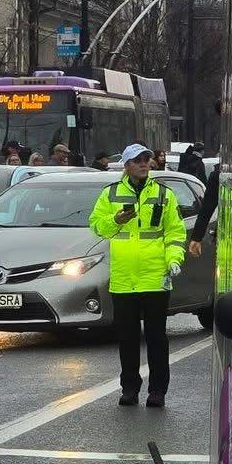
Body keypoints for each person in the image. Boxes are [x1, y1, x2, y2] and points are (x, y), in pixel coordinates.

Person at [89, 142, 186, 409]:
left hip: (155, 277)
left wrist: (174, 260)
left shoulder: (164, 194)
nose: (144, 164)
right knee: (128, 339)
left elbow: (175, 233)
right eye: (138, 160)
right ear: (127, 165)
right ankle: (129, 388)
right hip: (123, 279)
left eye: (147, 159)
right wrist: (116, 220)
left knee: (156, 338)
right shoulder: (110, 194)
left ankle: (157, 391)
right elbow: (97, 226)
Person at [187, 161, 218, 256]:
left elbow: (206, 208)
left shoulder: (218, 175)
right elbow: (207, 208)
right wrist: (197, 237)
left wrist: (197, 237)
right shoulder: (218, 176)